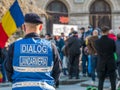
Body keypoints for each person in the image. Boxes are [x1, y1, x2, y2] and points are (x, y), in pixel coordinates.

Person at [5, 13, 62, 90]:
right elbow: (57, 70)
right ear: (41, 27)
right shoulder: (51, 46)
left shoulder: (14, 46)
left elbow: (8, 70)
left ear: (23, 27)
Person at [95, 26, 116, 90]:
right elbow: (114, 50)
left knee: (101, 81)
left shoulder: (97, 41)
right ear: (107, 32)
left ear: (101, 32)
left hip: (101, 62)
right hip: (110, 62)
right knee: (112, 80)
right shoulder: (111, 41)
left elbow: (97, 51)